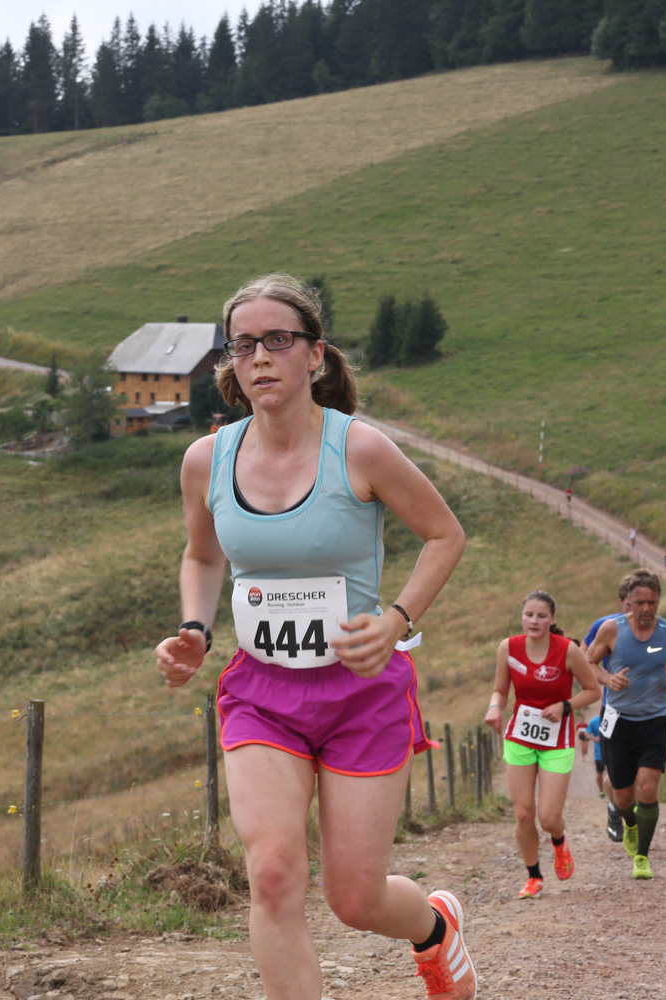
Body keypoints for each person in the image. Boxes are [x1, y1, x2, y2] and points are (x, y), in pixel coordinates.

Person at [154, 274, 473, 1000]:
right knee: (271, 874)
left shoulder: (360, 448)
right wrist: (195, 628)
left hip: (363, 692)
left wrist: (395, 621)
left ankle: (433, 927)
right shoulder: (206, 460)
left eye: (278, 340)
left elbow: (444, 535)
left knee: (354, 899)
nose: (260, 357)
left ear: (315, 354)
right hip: (262, 692)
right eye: (243, 344)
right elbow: (202, 556)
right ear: (230, 362)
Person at [486, 591, 601, 898]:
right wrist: (494, 708)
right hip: (520, 736)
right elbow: (500, 690)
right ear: (522, 617)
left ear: (552, 619)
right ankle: (534, 876)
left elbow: (593, 691)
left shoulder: (567, 650)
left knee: (549, 817)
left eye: (541, 616)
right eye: (529, 615)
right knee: (524, 814)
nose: (534, 621)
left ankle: (559, 842)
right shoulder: (508, 648)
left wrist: (565, 706)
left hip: (557, 739)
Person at [586, 569, 666, 880]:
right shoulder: (611, 629)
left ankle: (642, 856)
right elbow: (589, 662)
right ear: (628, 602)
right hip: (617, 719)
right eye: (640, 602)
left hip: (655, 719)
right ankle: (630, 824)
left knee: (647, 787)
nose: (646, 609)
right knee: (622, 797)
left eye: (652, 602)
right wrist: (608, 678)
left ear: (659, 601)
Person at [583, 588, 631, 842]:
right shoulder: (605, 626)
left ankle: (633, 818)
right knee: (614, 774)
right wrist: (606, 678)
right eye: (631, 604)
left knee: (643, 774)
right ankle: (614, 810)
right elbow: (584, 657)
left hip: (650, 712)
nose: (638, 610)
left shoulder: (658, 630)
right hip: (613, 709)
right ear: (622, 601)